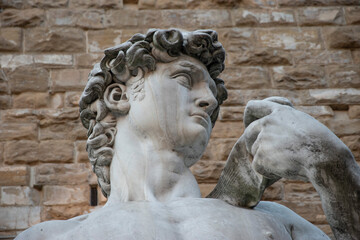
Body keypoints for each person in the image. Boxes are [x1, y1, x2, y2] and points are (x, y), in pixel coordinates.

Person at [16, 29, 359, 240]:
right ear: (119, 96)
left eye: (211, 91)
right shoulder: (52, 237)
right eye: (184, 79)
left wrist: (335, 170)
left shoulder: (278, 222)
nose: (209, 100)